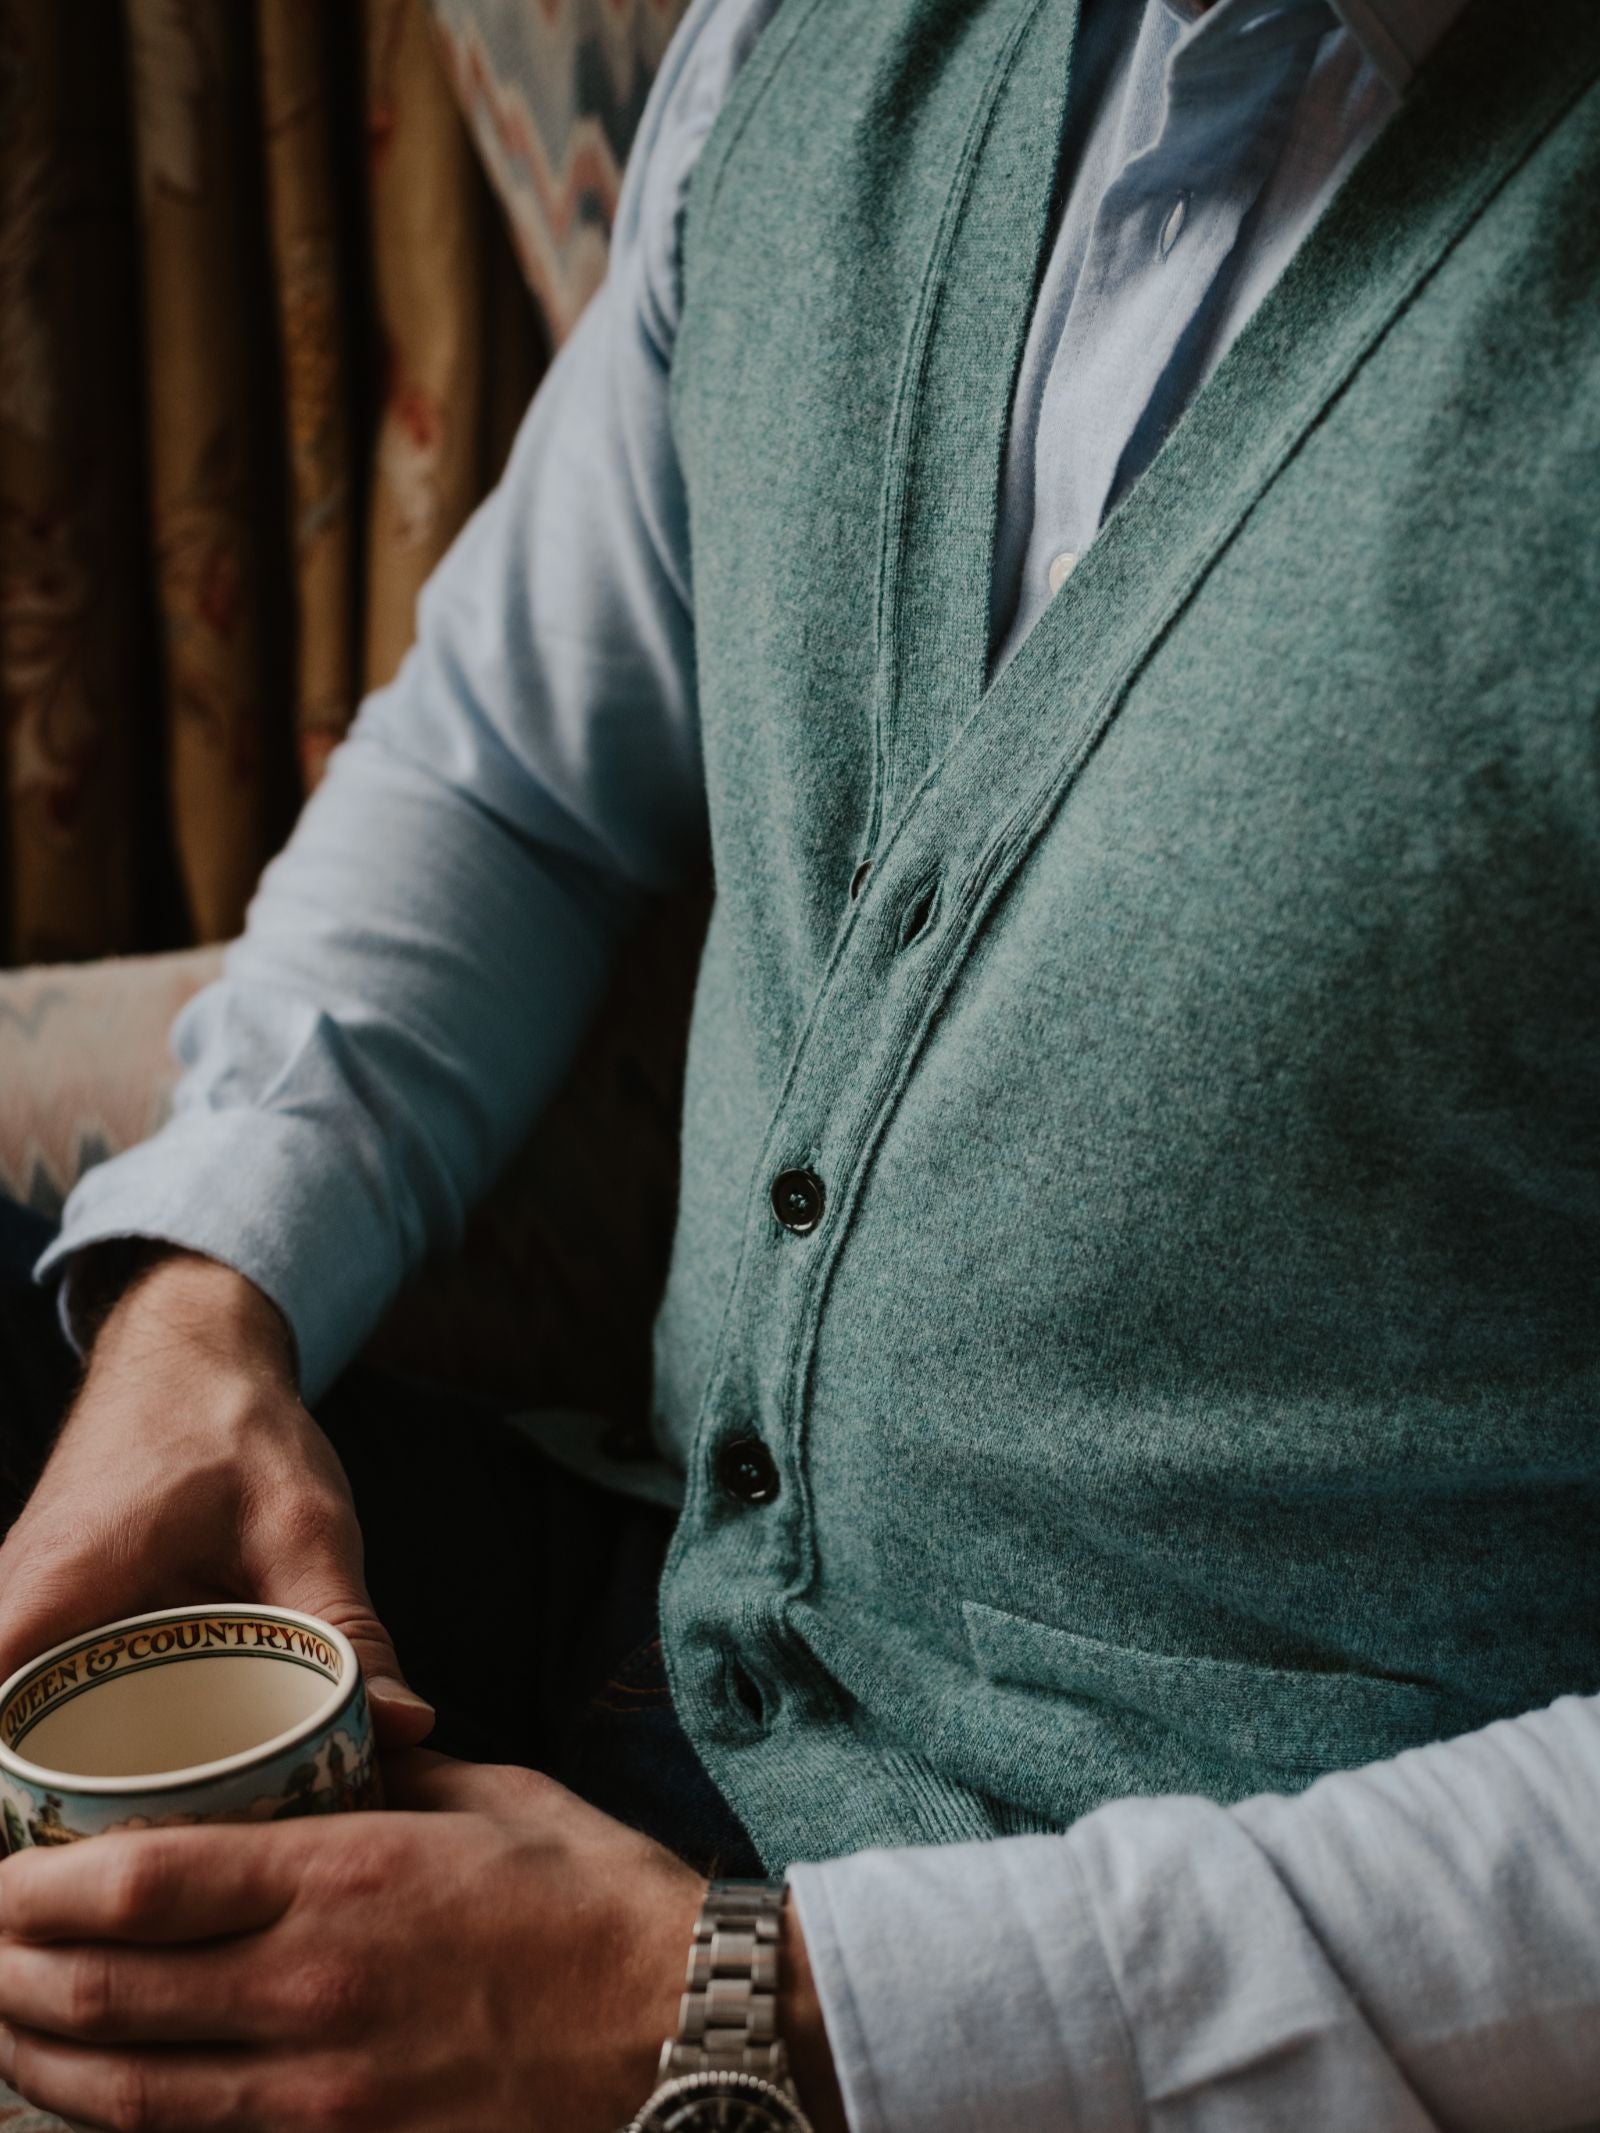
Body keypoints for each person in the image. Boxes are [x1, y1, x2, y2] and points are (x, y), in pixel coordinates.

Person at [1, 0, 1599, 2126]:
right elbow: (509, 785)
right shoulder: (799, 50)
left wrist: (771, 2009)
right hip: (633, 1645)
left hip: (1158, 1962)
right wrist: (203, 1314)